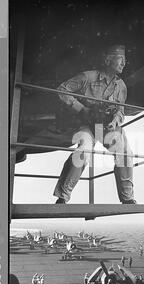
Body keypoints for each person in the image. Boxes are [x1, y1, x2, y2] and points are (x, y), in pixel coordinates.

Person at [53, 44, 136, 205]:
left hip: (106, 127)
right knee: (83, 150)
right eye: (120, 59)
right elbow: (62, 90)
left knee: (125, 153)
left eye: (125, 60)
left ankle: (127, 198)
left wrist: (114, 122)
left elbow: (120, 111)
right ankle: (63, 196)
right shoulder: (87, 77)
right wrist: (82, 109)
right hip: (86, 125)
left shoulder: (121, 87)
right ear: (108, 60)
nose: (124, 64)